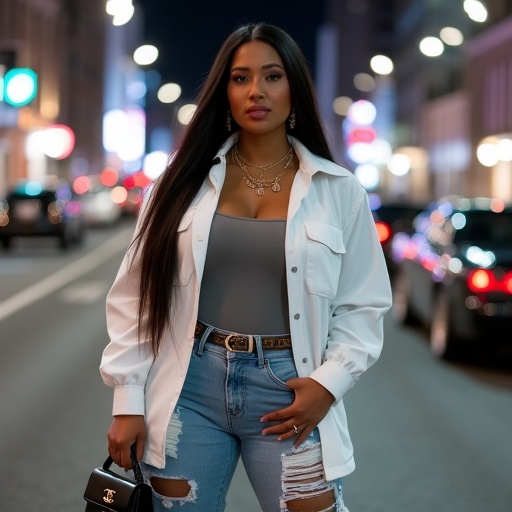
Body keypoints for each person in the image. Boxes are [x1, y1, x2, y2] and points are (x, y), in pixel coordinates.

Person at [100, 22, 392, 512]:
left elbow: (364, 303)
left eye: (272, 76)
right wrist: (128, 401)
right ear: (225, 93)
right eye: (240, 78)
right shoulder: (177, 185)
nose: (256, 90)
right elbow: (135, 296)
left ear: (294, 89)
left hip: (290, 392)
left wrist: (329, 383)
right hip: (188, 388)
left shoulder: (338, 190)